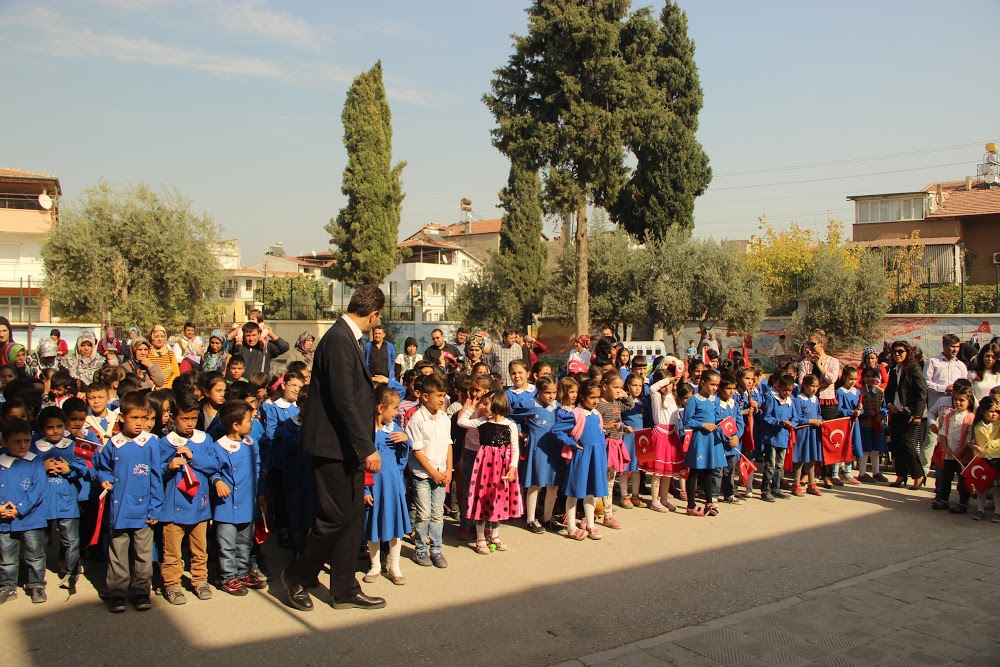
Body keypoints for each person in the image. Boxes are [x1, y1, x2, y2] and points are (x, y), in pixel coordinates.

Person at [282, 285, 385, 613]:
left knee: (351, 519)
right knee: (336, 517)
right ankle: (296, 574)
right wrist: (367, 447)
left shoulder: (346, 337)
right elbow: (343, 401)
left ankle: (344, 589)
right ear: (373, 315)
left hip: (346, 447)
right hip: (332, 447)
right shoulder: (340, 339)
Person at [94, 391, 163, 612]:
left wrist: (155, 509)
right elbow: (103, 469)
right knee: (117, 552)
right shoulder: (114, 444)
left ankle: (141, 590)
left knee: (143, 553)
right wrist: (104, 479)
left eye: (143, 418)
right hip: (119, 509)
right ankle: (117, 592)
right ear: (122, 417)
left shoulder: (151, 443)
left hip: (143, 510)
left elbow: (157, 478)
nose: (139, 423)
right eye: (134, 418)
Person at [159, 392, 218, 605]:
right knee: (172, 551)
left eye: (193, 418)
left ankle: (200, 580)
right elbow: (156, 472)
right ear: (173, 417)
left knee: (199, 549)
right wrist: (168, 466)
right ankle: (172, 584)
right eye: (184, 419)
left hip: (199, 506)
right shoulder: (165, 442)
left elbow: (214, 465)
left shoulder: (204, 439)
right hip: (172, 508)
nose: (190, 423)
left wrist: (193, 457)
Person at [209, 400, 263, 597]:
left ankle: (242, 572)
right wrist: (217, 481)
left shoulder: (251, 443)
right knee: (227, 544)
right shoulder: (218, 447)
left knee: (245, 543)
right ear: (235, 425)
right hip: (226, 505)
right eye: (248, 420)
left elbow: (258, 470)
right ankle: (228, 576)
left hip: (247, 503)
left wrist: (261, 493)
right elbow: (211, 469)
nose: (252, 422)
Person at [459, 390, 521, 555]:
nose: (483, 407)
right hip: (484, 468)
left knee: (498, 500)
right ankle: (480, 537)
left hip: (501, 469)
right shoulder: (482, 422)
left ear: (497, 404)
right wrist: (472, 404)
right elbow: (461, 421)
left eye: (486, 404)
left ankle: (495, 536)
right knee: (482, 499)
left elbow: (515, 449)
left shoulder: (510, 425)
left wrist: (512, 468)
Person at [363, 385, 411, 586]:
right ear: (380, 408)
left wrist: (406, 441)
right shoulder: (366, 432)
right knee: (373, 524)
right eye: (394, 408)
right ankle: (375, 565)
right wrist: (365, 488)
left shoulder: (395, 429)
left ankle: (395, 566)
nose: (397, 412)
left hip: (392, 485)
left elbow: (402, 458)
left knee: (395, 525)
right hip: (373, 485)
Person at [406, 374, 453, 567]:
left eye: (444, 395)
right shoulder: (417, 420)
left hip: (441, 473)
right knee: (424, 514)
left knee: (437, 514)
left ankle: (436, 550)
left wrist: (448, 470)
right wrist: (433, 473)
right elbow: (417, 451)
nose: (442, 399)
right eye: (438, 395)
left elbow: (448, 444)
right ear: (425, 396)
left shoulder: (444, 418)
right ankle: (420, 550)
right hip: (424, 475)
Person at [551, 379, 607, 541]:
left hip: (596, 458)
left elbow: (600, 436)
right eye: (592, 397)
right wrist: (572, 443)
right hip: (581, 458)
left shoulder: (596, 414)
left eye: (598, 397)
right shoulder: (576, 413)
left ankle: (590, 524)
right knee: (574, 492)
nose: (596, 401)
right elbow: (556, 430)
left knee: (591, 493)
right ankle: (571, 526)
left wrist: (602, 458)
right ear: (582, 397)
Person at [0, 418, 48, 605]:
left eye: (26, 441)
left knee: (34, 554)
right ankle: (8, 586)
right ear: (4, 442)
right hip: (4, 518)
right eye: (17, 441)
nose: (22, 445)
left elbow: (38, 490)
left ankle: (37, 585)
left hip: (31, 518)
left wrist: (19, 509)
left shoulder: (35, 462)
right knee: (6, 556)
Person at [512, 376, 564, 533]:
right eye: (547, 392)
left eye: (554, 392)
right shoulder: (530, 404)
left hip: (554, 449)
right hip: (538, 450)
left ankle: (547, 518)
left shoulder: (557, 407)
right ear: (539, 391)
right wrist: (520, 431)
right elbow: (511, 414)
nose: (551, 396)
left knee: (553, 485)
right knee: (535, 484)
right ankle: (530, 519)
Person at [885, 341, 928, 489]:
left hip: (910, 413)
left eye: (900, 351)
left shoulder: (913, 368)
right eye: (894, 352)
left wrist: (917, 414)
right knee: (896, 444)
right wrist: (889, 404)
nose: (897, 354)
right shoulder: (894, 369)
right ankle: (901, 474)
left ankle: (919, 475)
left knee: (907, 443)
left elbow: (922, 392)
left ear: (907, 352)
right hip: (896, 411)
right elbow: (889, 391)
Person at [682, 369, 725, 517]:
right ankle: (691, 505)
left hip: (712, 439)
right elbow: (687, 421)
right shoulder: (694, 400)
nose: (715, 388)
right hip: (700, 439)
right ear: (702, 383)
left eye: (717, 385)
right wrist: (702, 425)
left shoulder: (715, 400)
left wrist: (723, 423)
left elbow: (717, 417)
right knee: (695, 471)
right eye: (712, 384)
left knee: (709, 470)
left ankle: (709, 502)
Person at [597, 371, 633, 528]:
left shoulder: (617, 403)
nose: (619, 391)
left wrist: (623, 428)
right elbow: (594, 425)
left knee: (610, 481)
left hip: (616, 444)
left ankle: (608, 514)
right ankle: (592, 513)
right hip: (604, 446)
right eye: (616, 387)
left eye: (620, 387)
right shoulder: (598, 404)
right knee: (599, 480)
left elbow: (630, 405)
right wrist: (606, 427)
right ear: (605, 387)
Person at [930, 386, 975, 513]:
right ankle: (943, 500)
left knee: (962, 481)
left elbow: (969, 438)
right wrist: (945, 448)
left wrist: (960, 452)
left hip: (963, 456)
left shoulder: (971, 417)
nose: (958, 402)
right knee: (946, 478)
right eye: (956, 399)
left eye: (962, 400)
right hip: (949, 454)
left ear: (969, 401)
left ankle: (963, 502)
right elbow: (943, 433)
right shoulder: (949, 416)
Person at [759, 374, 797, 503]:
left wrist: (791, 424)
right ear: (779, 387)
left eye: (790, 390)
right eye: (785, 390)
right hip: (771, 437)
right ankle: (765, 490)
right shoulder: (772, 399)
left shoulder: (790, 402)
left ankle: (776, 488)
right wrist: (779, 422)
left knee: (779, 465)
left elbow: (795, 418)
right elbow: (767, 417)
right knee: (770, 464)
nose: (787, 393)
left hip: (783, 438)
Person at [791, 375, 824, 496]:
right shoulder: (798, 400)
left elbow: (819, 413)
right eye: (812, 386)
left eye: (817, 386)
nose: (814, 389)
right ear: (804, 385)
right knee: (800, 457)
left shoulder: (815, 399)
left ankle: (811, 484)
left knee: (812, 458)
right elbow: (797, 418)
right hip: (803, 432)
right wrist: (811, 421)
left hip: (813, 432)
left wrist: (819, 420)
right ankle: (796, 484)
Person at [970, 396, 1000, 521]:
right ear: (982, 411)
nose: (994, 414)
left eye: (996, 411)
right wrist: (975, 447)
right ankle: (980, 509)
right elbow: (970, 441)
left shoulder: (998, 424)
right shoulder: (976, 426)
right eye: (991, 411)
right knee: (981, 486)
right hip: (982, 459)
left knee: (996, 487)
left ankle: (998, 511)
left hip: (996, 458)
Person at [832, 366, 863, 486]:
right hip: (843, 424)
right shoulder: (840, 392)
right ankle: (835, 473)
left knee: (851, 447)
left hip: (854, 423)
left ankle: (848, 474)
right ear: (844, 377)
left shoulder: (857, 392)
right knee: (840, 447)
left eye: (855, 379)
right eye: (851, 379)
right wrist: (851, 412)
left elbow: (861, 409)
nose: (853, 381)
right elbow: (838, 410)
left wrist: (860, 410)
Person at [857, 367, 889, 483]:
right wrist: (865, 413)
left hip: (877, 424)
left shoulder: (880, 392)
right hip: (865, 424)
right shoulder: (859, 392)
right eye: (867, 376)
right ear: (863, 378)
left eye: (872, 376)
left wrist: (882, 414)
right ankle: (862, 473)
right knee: (866, 449)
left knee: (876, 449)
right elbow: (857, 408)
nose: (870, 379)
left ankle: (876, 472)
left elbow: (884, 406)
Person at [924, 334, 968, 409]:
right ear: (944, 346)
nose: (955, 350)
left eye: (957, 347)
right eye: (952, 346)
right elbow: (926, 383)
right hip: (936, 407)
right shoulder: (933, 362)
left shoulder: (961, 365)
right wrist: (944, 389)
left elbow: (964, 386)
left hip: (954, 408)